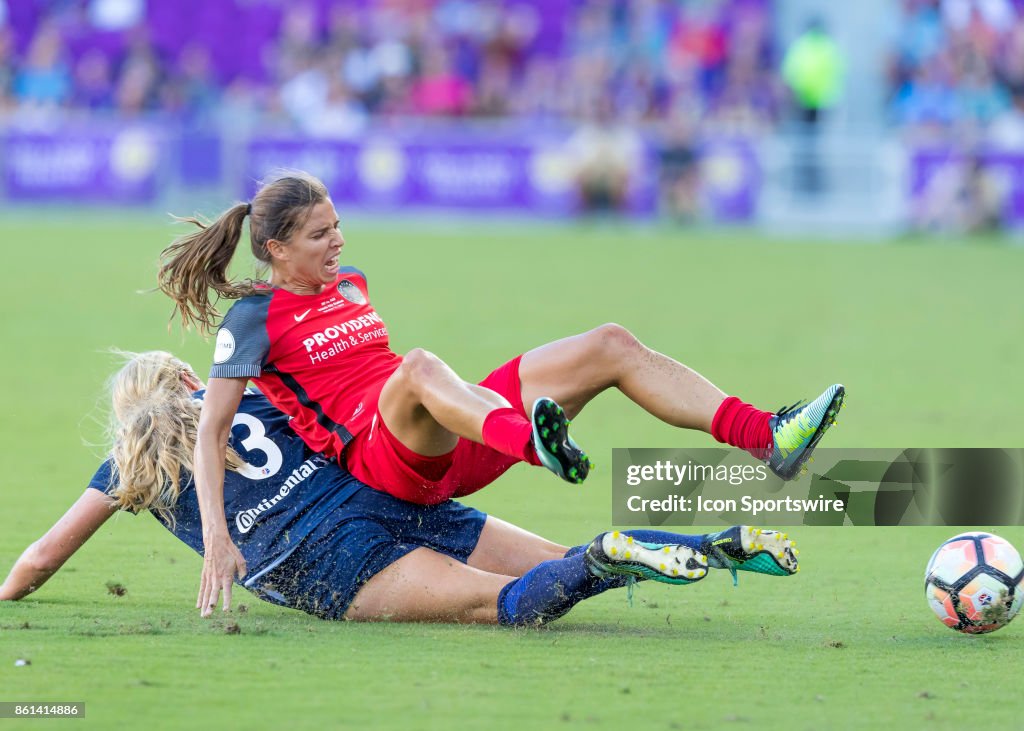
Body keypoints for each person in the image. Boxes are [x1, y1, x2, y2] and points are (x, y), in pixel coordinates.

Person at [156, 171, 842, 608]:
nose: (338, 240)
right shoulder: (251, 321)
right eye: (319, 233)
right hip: (383, 457)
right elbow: (211, 434)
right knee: (419, 366)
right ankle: (539, 446)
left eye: (337, 225)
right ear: (275, 248)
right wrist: (218, 535)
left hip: (456, 431)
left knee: (609, 343)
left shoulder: (351, 282)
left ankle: (767, 437)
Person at [0, 351, 800, 622]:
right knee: (546, 556)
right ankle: (714, 545)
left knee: (503, 603)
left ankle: (601, 558)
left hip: (329, 558)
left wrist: (8, 593)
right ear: (183, 378)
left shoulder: (132, 469)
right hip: (381, 498)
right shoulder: (252, 395)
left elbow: (40, 557)